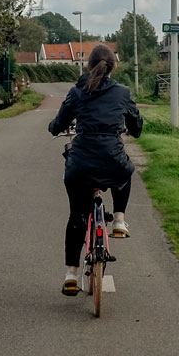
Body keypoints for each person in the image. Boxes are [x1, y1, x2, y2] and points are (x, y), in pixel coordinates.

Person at [47, 44, 144, 296]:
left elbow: (60, 123)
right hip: (112, 160)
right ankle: (120, 221)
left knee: (76, 216)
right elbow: (136, 124)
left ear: (88, 65)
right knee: (125, 172)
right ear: (115, 67)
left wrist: (54, 128)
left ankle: (71, 274)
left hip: (80, 165)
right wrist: (132, 129)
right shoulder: (122, 92)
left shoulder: (77, 92)